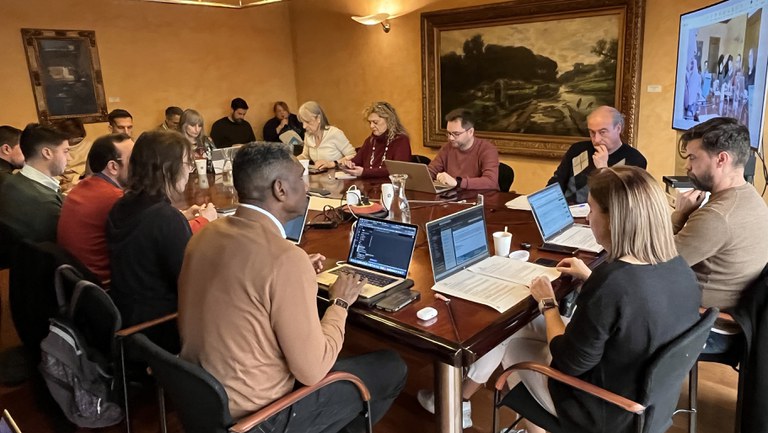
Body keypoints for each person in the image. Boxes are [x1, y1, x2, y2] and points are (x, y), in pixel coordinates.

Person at [178, 142, 406, 431]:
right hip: (258, 418)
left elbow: (245, 278)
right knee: (391, 366)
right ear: (280, 189)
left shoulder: (205, 235)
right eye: (301, 177)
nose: (306, 185)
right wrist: (340, 303)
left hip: (202, 399)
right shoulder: (284, 259)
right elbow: (313, 371)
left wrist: (294, 274)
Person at [503, 166, 700, 433]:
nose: (588, 217)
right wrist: (590, 277)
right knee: (532, 331)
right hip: (650, 399)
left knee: (514, 348)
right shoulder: (679, 267)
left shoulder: (611, 282)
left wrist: (548, 303)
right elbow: (634, 302)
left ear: (612, 220)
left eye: (591, 209)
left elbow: (569, 363)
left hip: (604, 412)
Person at [107, 130, 216, 351]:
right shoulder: (165, 218)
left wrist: (183, 218)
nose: (190, 170)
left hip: (129, 315)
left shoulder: (122, 204)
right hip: (160, 327)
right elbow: (192, 284)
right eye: (187, 163)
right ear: (167, 168)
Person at [673, 117, 768, 353]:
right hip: (738, 319)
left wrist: (679, 215)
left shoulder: (718, 216)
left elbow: (656, 264)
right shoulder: (751, 197)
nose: (687, 167)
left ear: (721, 159)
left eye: (693, 158)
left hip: (710, 325)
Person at [57, 133, 134, 284]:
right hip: (104, 287)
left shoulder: (80, 188)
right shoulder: (115, 198)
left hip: (77, 284)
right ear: (113, 167)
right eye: (134, 159)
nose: (140, 164)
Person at [547, 105, 647, 204]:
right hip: (569, 211)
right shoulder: (577, 150)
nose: (596, 139)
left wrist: (603, 168)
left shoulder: (635, 160)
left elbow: (624, 203)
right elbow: (556, 183)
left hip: (606, 214)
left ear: (618, 128)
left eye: (602, 132)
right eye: (592, 132)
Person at [0, 124, 69, 242]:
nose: (69, 158)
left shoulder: (10, 182)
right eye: (65, 151)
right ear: (47, 153)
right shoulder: (46, 202)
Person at [427, 108, 499, 190]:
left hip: (481, 196)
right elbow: (431, 171)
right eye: (449, 133)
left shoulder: (487, 150)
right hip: (454, 195)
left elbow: (491, 182)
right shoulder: (447, 147)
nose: (451, 138)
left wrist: (458, 182)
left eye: (456, 134)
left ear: (470, 132)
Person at [340, 102, 412, 178]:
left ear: (389, 121)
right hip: (368, 184)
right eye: (370, 122)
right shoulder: (370, 140)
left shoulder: (400, 140)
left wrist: (365, 172)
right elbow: (356, 161)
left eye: (375, 122)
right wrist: (349, 164)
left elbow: (397, 170)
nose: (371, 126)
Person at [298, 101, 355, 169]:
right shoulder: (308, 136)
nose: (304, 126)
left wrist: (332, 163)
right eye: (302, 122)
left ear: (318, 118)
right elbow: (305, 156)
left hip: (338, 173)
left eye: (308, 122)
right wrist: (292, 161)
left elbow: (353, 155)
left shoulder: (335, 133)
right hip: (320, 175)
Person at [51, 118, 90, 193]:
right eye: (73, 138)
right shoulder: (54, 148)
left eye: (79, 137)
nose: (69, 158)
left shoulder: (91, 146)